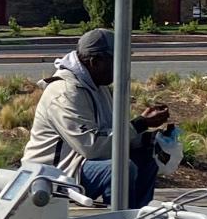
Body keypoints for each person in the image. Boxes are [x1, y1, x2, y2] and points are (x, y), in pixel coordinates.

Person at [22, 26, 171, 207]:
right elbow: (91, 146)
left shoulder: (98, 86)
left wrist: (147, 138)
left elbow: (108, 134)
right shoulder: (66, 92)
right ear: (95, 61)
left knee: (146, 158)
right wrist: (139, 124)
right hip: (51, 175)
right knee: (121, 169)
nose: (122, 68)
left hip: (77, 165)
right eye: (117, 61)